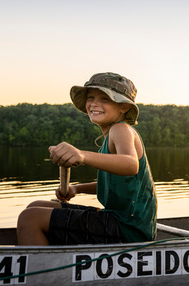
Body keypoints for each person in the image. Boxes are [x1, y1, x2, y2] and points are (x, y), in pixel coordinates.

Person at [17, 72, 157, 246]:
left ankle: (45, 272)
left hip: (127, 229)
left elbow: (131, 164)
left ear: (124, 107)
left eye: (105, 99)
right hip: (121, 222)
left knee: (30, 218)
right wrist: (77, 189)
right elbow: (114, 185)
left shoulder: (120, 130)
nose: (94, 104)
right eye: (91, 97)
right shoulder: (111, 136)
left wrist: (81, 155)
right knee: (36, 205)